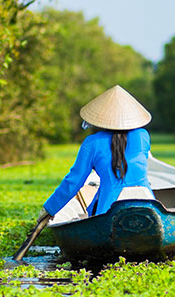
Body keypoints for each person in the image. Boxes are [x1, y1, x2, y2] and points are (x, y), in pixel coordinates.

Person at [38, 85, 154, 222]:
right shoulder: (143, 136)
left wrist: (49, 209)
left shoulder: (92, 143)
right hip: (148, 205)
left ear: (102, 118)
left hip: (108, 212)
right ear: (128, 115)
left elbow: (74, 181)